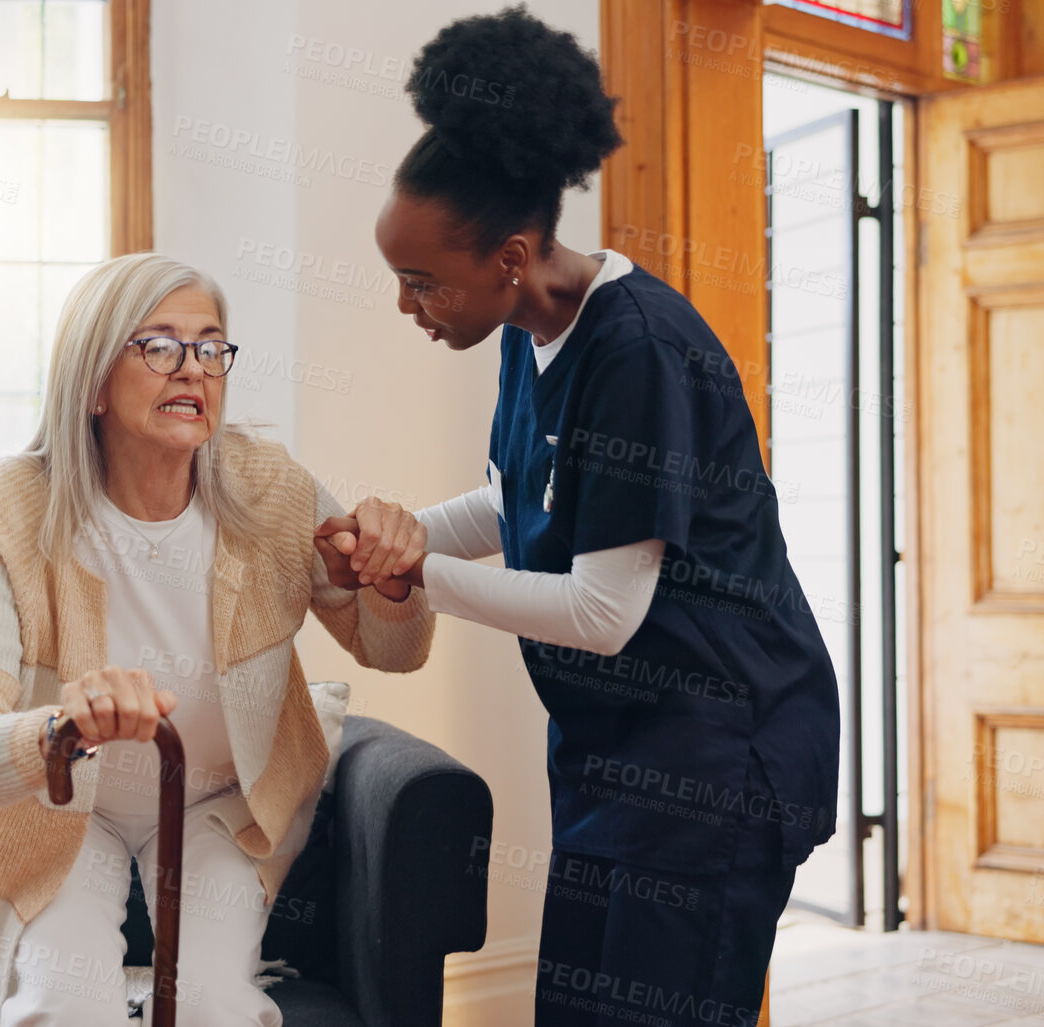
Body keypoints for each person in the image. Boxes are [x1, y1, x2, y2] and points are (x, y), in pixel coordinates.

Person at [314, 9, 841, 1027]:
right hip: (617, 746)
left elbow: (606, 612)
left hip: (720, 750)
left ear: (509, 256)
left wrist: (415, 574)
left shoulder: (637, 349)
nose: (406, 305)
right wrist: (386, 536)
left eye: (421, 282)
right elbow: (515, 504)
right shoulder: (526, 328)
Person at [0, 252, 435, 1026]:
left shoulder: (270, 490)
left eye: (209, 347)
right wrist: (58, 727)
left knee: (214, 1007)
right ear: (92, 381)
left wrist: (391, 581)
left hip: (220, 803)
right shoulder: (12, 508)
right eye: (157, 346)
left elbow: (395, 649)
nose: (191, 369)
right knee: (65, 1006)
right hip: (58, 811)